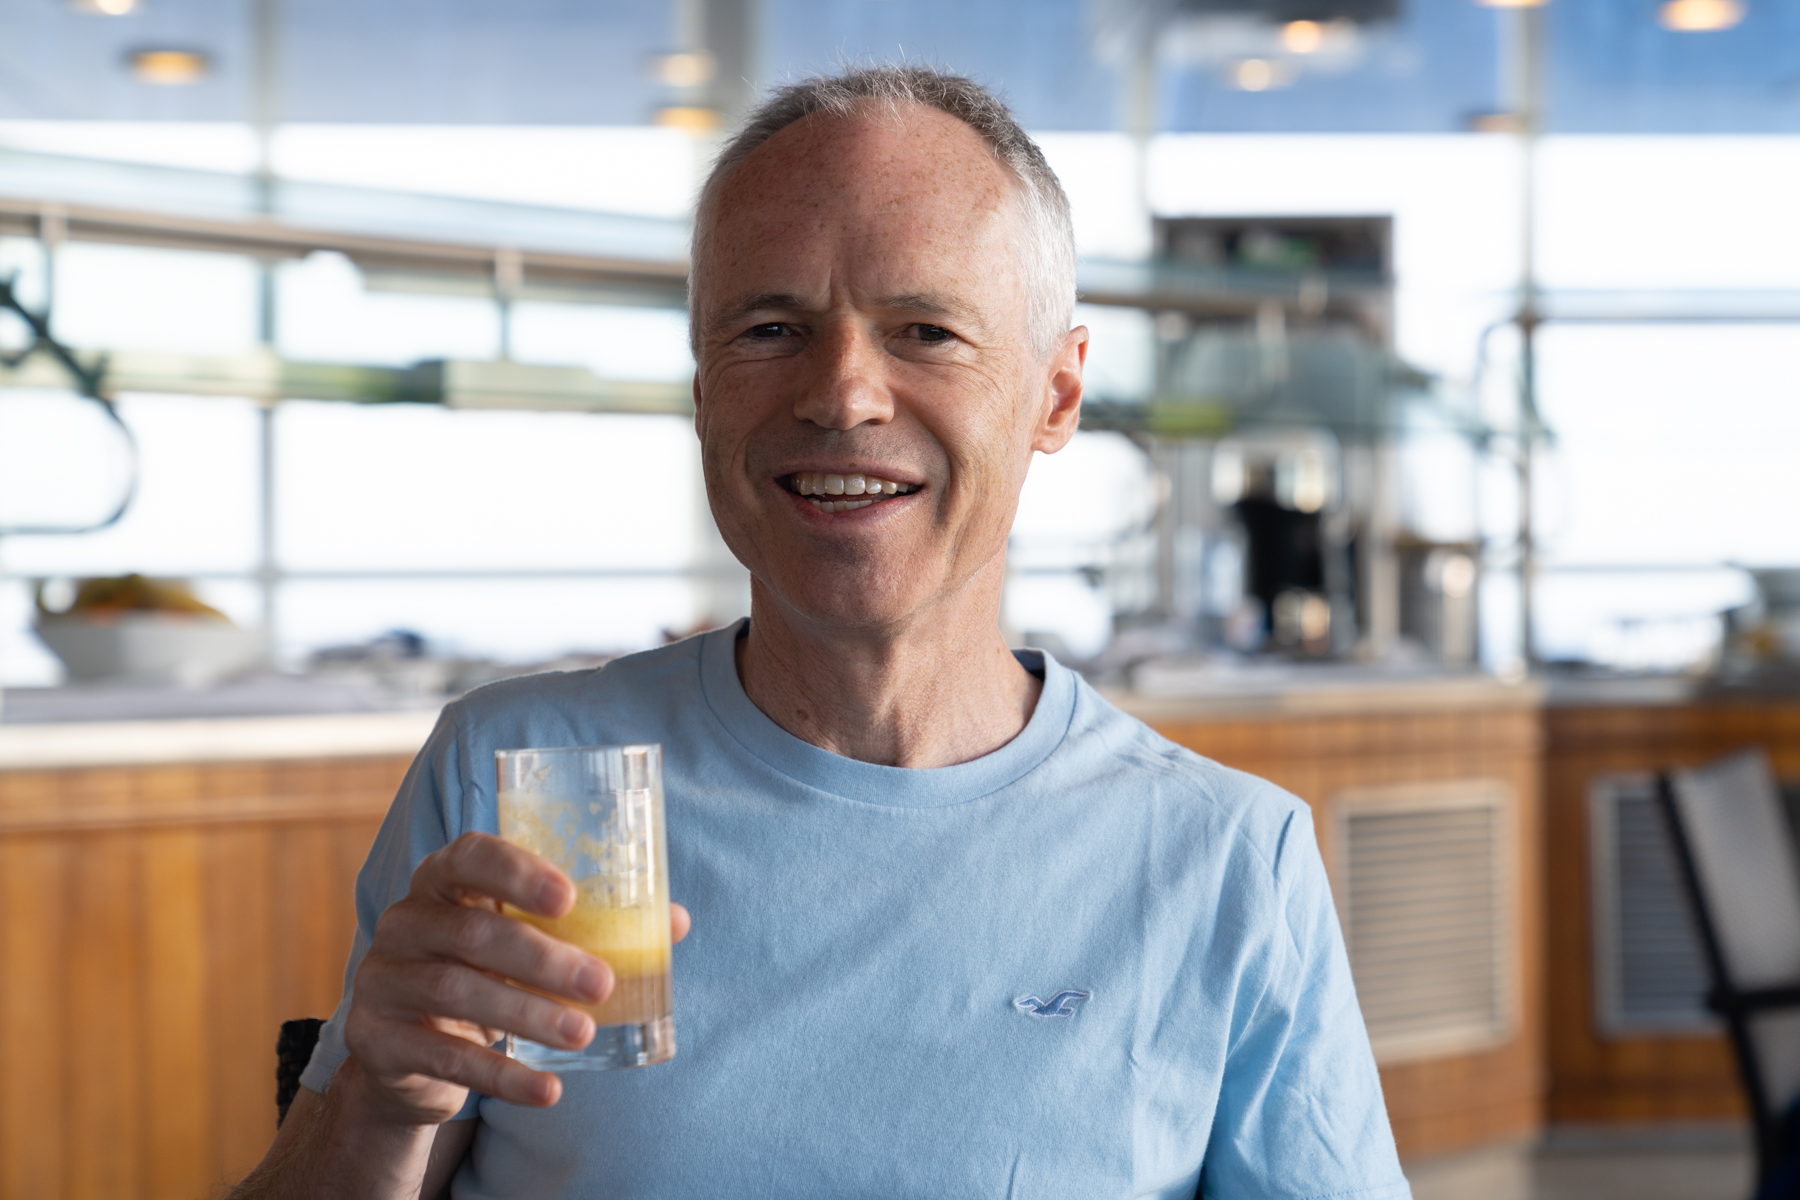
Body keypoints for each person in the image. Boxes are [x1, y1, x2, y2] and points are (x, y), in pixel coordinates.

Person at [232, 66, 1411, 1200]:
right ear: (703, 388)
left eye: (925, 331)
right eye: (769, 329)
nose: (843, 394)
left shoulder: (1221, 861)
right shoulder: (521, 776)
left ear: (1056, 396)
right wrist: (376, 1109)